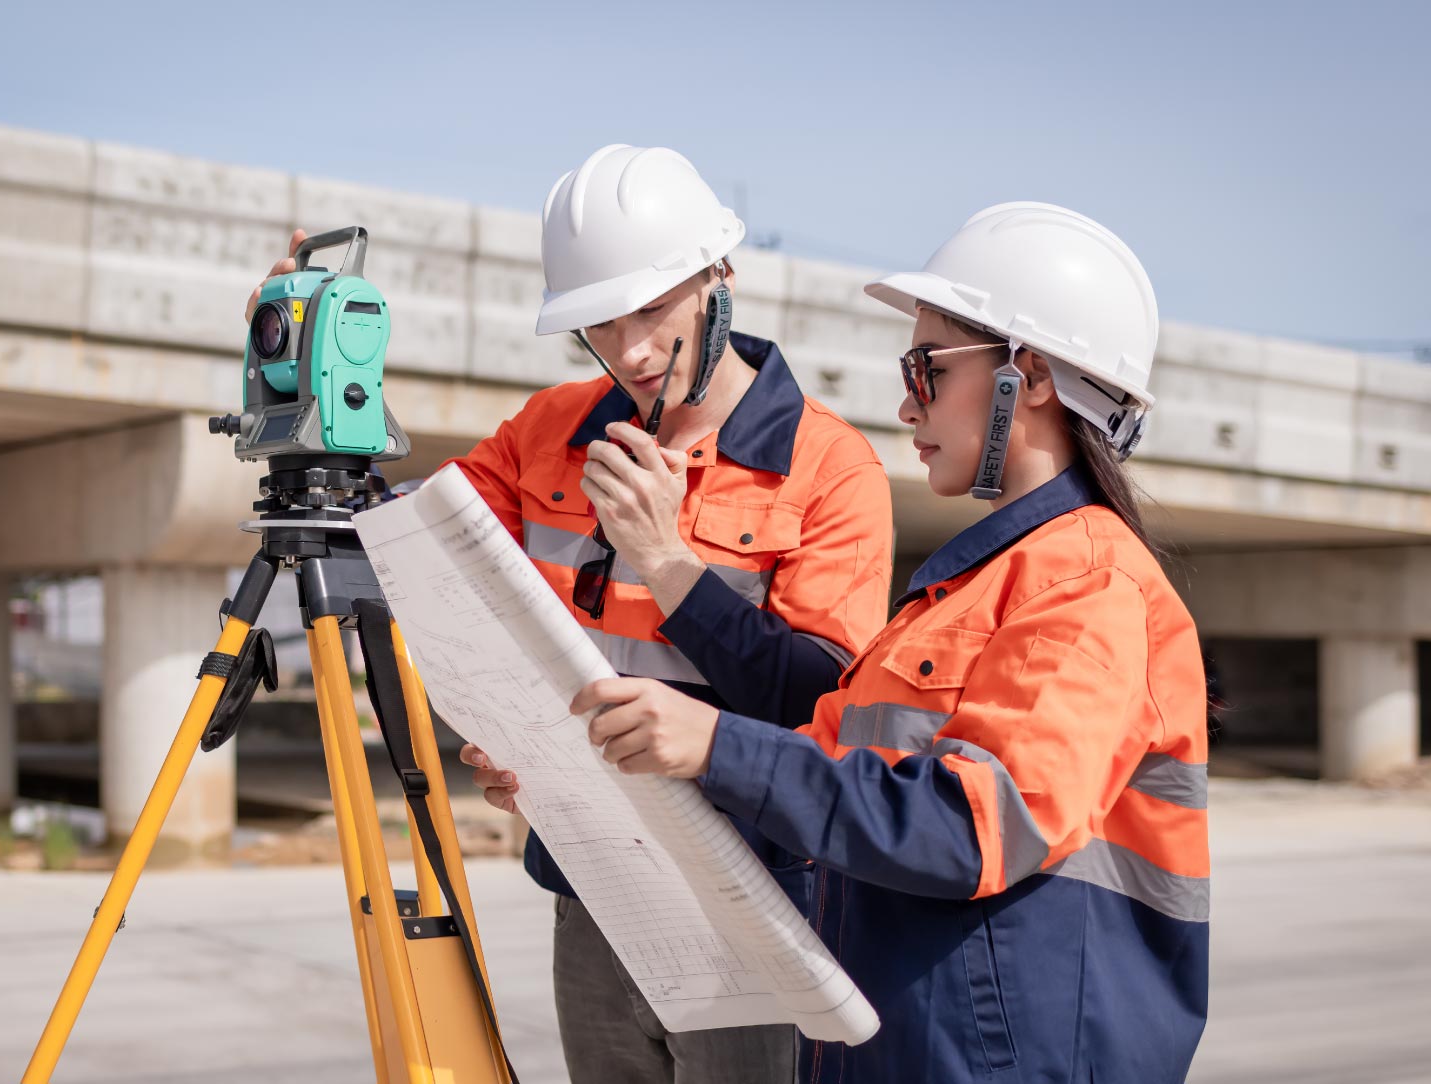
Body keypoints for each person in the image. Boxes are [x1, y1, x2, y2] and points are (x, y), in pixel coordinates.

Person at [252, 145, 894, 1084]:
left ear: (721, 279)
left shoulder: (831, 469)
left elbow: (814, 705)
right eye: (600, 324)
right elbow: (412, 541)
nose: (629, 353)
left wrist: (670, 565)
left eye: (651, 312)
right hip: (589, 885)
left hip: (750, 899)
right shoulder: (547, 428)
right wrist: (313, 380)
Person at [550, 203, 1210, 1083]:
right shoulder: (962, 590)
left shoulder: (1090, 585)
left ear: (1035, 377)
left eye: (927, 368)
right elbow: (828, 775)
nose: (906, 402)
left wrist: (712, 741)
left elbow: (973, 828)